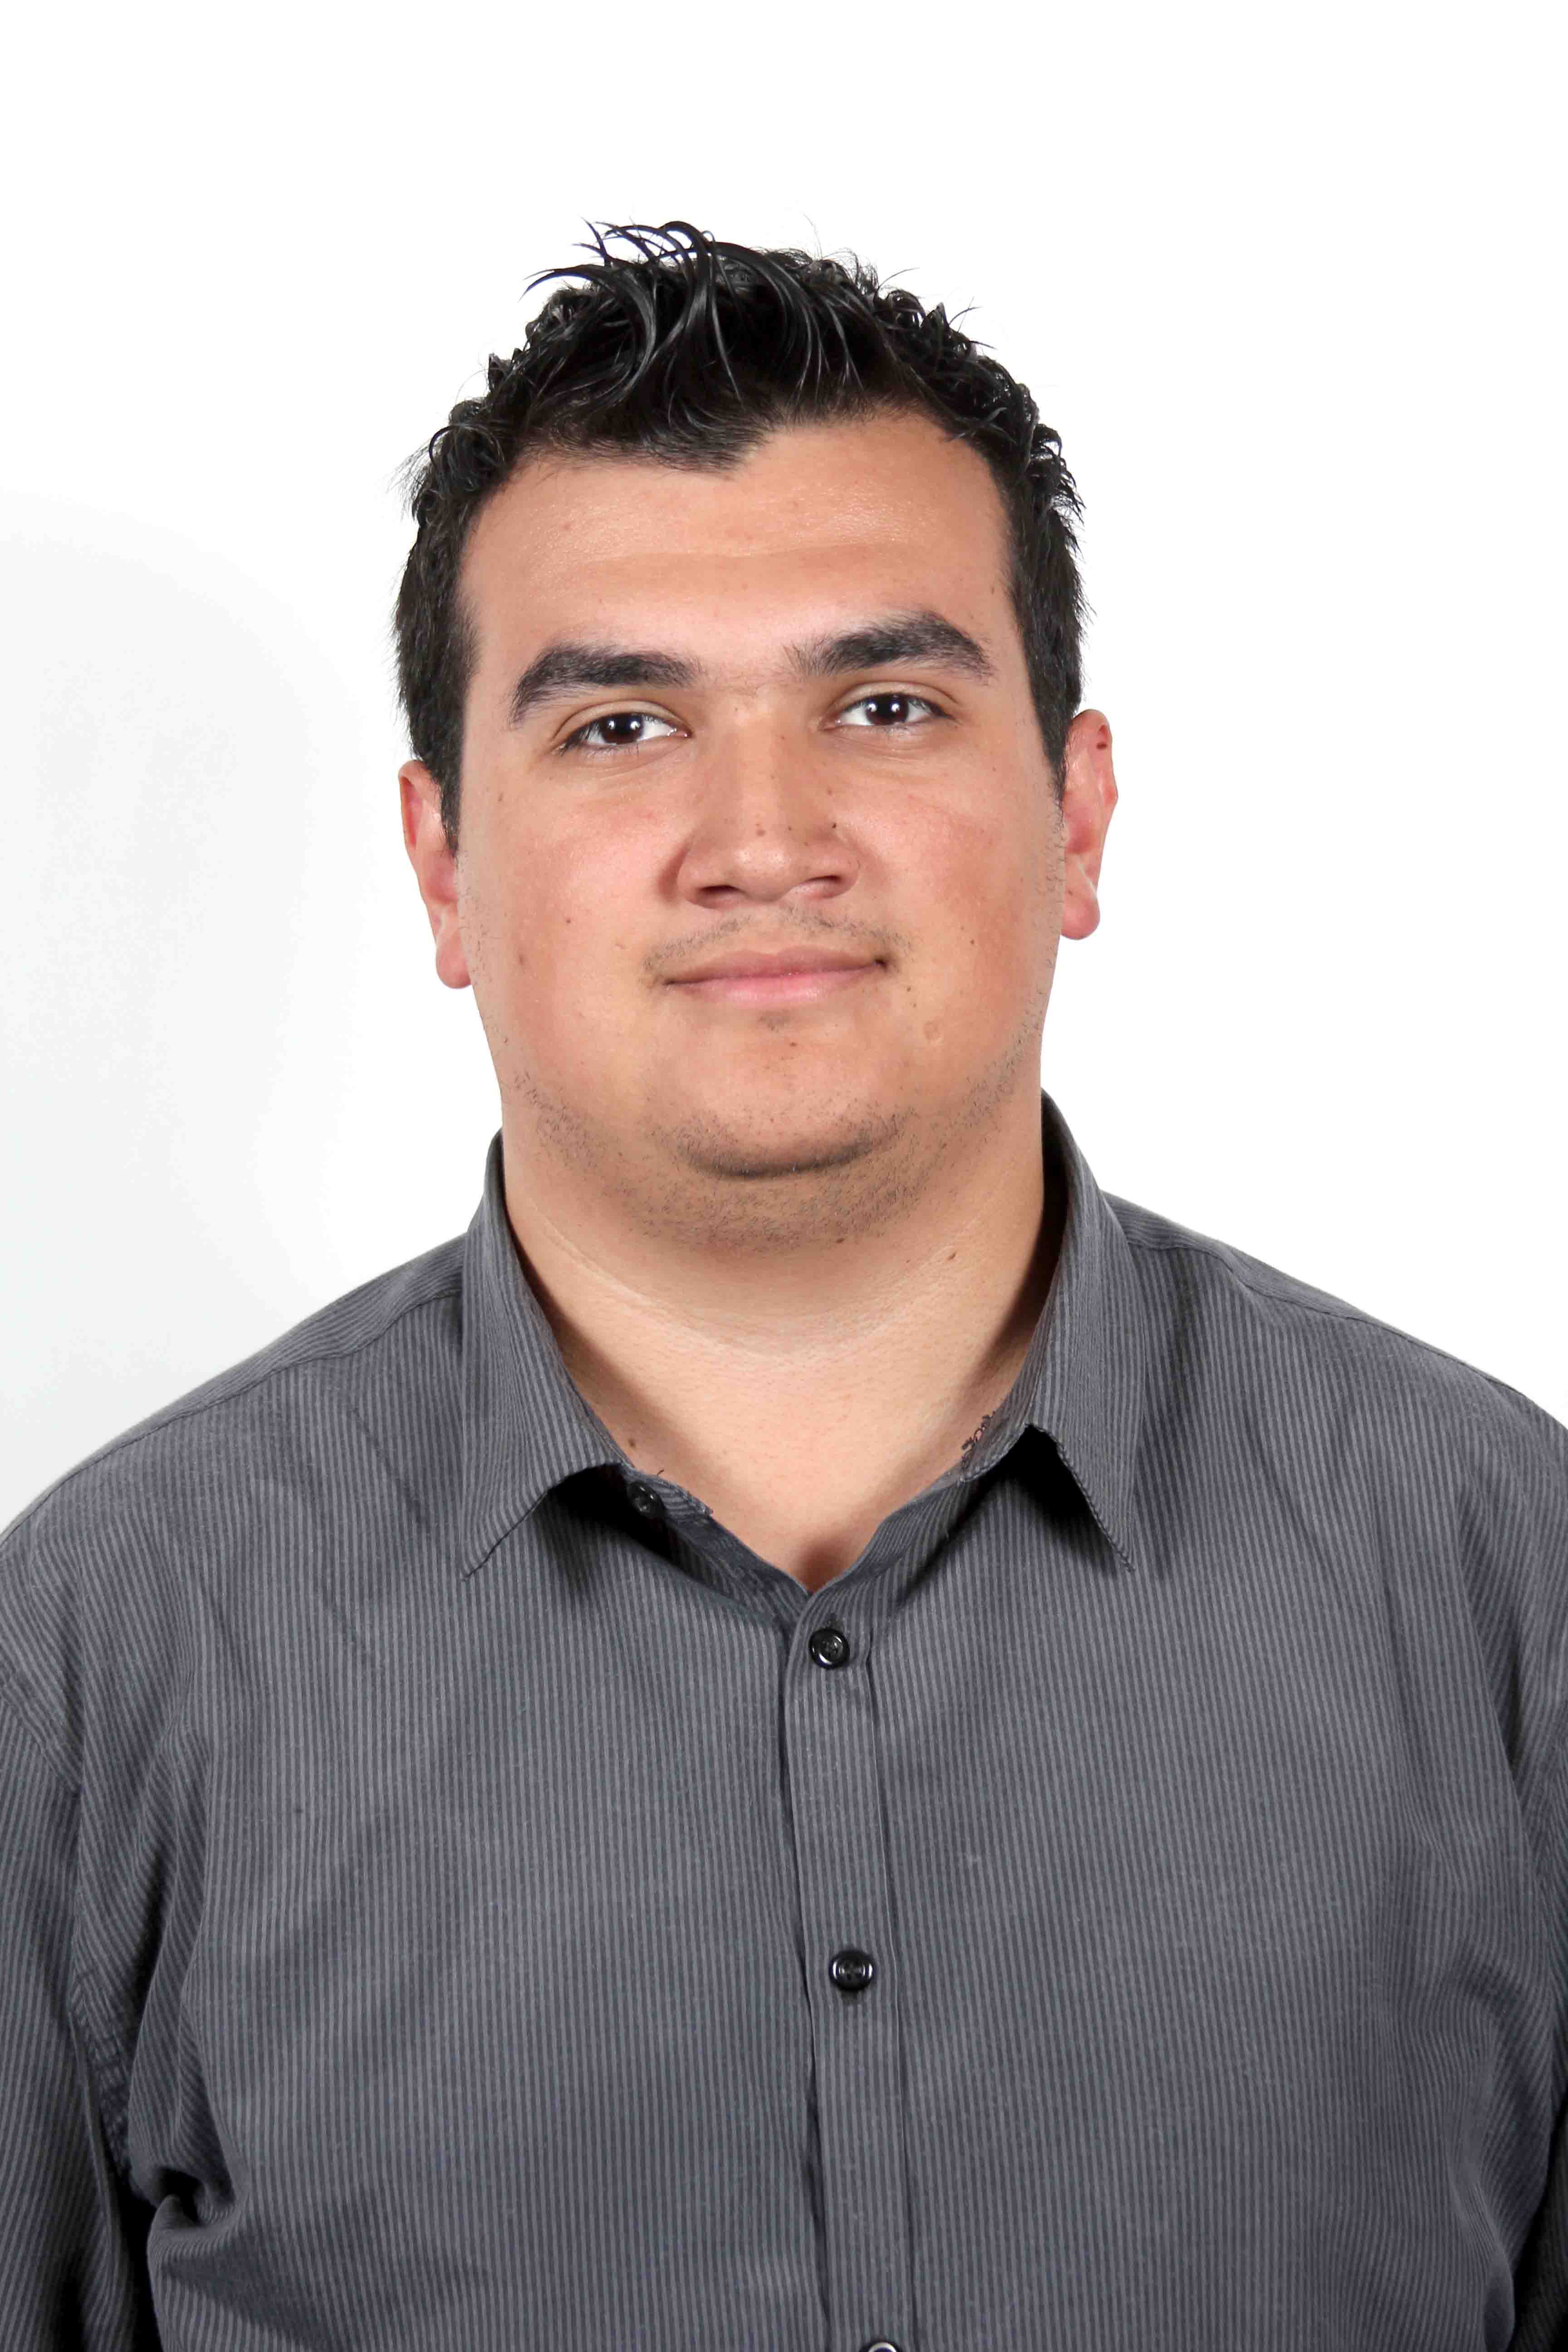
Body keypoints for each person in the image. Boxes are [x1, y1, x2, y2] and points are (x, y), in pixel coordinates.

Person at [3, 218, 1565, 2352]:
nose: (765, 835)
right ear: (443, 864)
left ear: (1080, 812)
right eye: (625, 724)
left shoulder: (1499, 1579)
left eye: (888, 702)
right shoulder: (99, 1659)